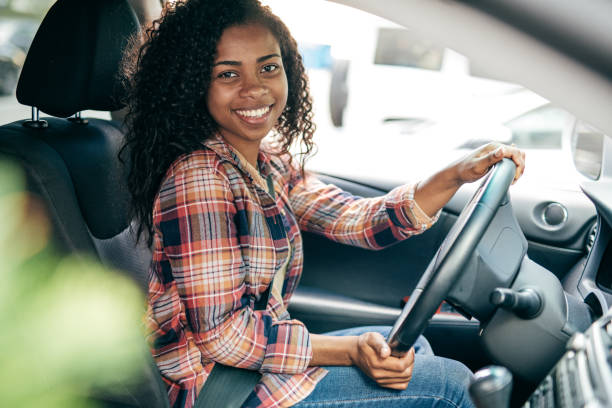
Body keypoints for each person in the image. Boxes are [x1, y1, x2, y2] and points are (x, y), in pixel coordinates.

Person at [121, 1, 525, 407]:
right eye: (228, 74)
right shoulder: (200, 179)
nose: (255, 88)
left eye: (268, 67)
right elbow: (223, 337)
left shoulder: (265, 162)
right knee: (451, 386)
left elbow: (358, 220)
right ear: (194, 85)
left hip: (252, 368)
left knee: (408, 345)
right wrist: (350, 353)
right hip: (217, 391)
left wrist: (455, 174)